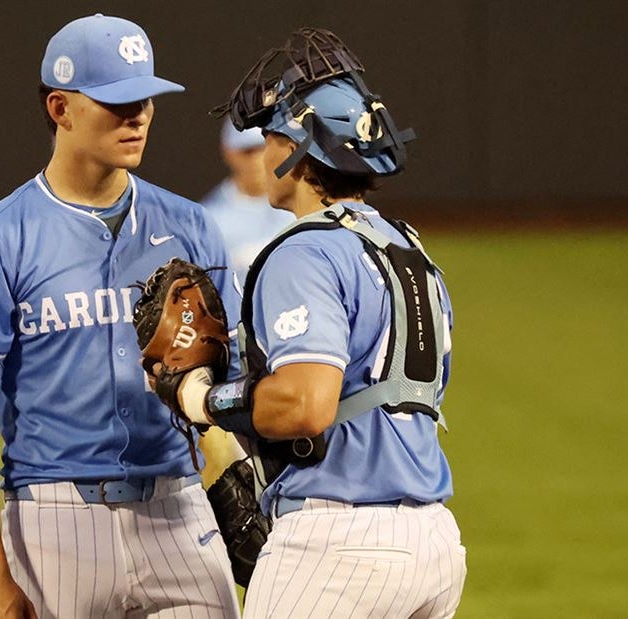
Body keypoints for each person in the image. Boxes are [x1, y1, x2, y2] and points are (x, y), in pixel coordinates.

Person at [0, 14, 243, 619]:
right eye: (118, 101)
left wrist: (241, 487)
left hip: (178, 511)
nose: (138, 117)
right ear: (60, 108)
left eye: (146, 100)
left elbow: (224, 384)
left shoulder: (192, 227)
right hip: (55, 523)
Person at [164, 29, 467, 616]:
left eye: (273, 132)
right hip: (434, 543)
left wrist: (202, 398)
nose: (266, 148)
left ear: (305, 148)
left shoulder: (305, 250)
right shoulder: (404, 247)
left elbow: (306, 405)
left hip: (341, 552)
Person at [200, 120, 294, 281]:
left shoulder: (299, 203)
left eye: (262, 148)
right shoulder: (207, 221)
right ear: (228, 153)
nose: (257, 160)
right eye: (247, 151)